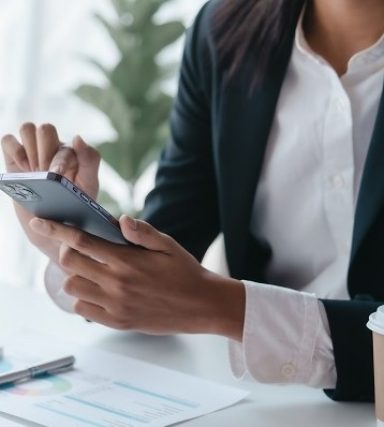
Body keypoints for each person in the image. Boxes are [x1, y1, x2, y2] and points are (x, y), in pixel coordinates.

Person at [2, 0, 384, 402]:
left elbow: (194, 299)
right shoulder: (224, 29)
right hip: (267, 403)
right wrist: (74, 235)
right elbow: (167, 257)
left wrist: (223, 306)